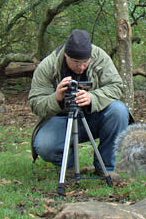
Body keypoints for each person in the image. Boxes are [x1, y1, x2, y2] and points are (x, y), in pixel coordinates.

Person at [28, 29, 131, 179]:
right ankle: (69, 166)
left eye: (85, 62)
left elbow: (116, 86)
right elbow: (35, 103)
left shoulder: (99, 57)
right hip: (61, 120)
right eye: (76, 62)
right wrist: (56, 97)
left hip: (93, 117)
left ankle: (106, 167)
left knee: (119, 110)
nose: (81, 67)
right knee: (44, 145)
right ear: (66, 55)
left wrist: (92, 98)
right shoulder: (48, 65)